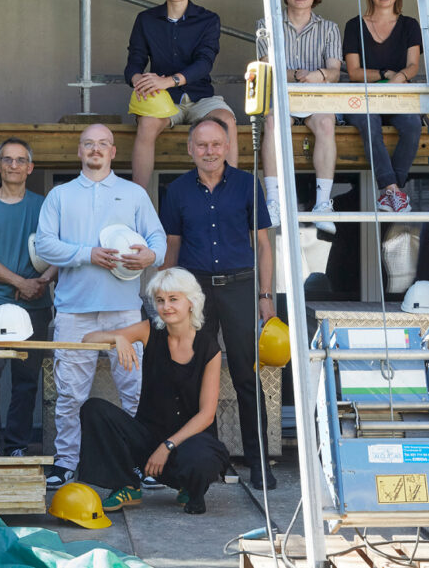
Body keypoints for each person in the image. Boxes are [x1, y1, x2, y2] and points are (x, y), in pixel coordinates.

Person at [35, 124, 167, 488]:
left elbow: (158, 239)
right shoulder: (60, 196)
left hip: (124, 310)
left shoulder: (134, 193)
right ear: (79, 151)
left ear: (112, 152)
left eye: (103, 144)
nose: (96, 149)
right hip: (74, 311)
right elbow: (45, 245)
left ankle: (142, 461)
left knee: (135, 389)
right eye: (89, 144)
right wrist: (87, 254)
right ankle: (66, 463)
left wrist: (151, 255)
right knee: (70, 393)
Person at [160, 117, 277, 490]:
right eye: (201, 145)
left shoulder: (246, 185)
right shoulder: (176, 190)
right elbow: (172, 248)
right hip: (195, 294)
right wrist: (167, 297)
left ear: (226, 147)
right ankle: (207, 465)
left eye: (215, 144)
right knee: (196, 381)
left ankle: (259, 464)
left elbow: (263, 244)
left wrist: (265, 296)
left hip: (240, 289)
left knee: (246, 376)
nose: (209, 152)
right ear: (191, 149)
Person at [78, 267, 230, 515]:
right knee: (94, 409)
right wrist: (117, 338)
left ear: (191, 302)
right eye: (160, 300)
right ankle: (126, 485)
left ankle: (191, 487)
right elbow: (88, 339)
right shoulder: (150, 331)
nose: (166, 307)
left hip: (187, 443)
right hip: (148, 437)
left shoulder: (208, 347)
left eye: (173, 299)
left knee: (201, 457)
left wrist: (167, 446)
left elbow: (207, 415)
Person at [0, 137, 56, 458]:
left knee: (27, 377)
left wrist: (42, 282)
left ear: (30, 167)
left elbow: (59, 252)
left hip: (36, 303)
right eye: (7, 160)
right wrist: (21, 282)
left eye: (20, 160)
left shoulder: (46, 205)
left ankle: (17, 443)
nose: (14, 166)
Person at [124, 0, 238, 190]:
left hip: (200, 96)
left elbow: (205, 63)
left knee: (226, 120)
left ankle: (229, 193)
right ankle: (139, 200)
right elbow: (134, 62)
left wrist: (169, 81)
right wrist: (140, 80)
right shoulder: (146, 19)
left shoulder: (208, 19)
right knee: (146, 124)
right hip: (163, 100)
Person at [256, 0, 344, 233]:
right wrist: (295, 74)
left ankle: (322, 204)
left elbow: (334, 73)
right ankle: (274, 201)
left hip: (316, 97)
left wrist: (318, 75)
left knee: (327, 124)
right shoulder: (266, 25)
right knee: (271, 123)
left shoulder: (329, 28)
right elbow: (266, 70)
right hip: (282, 98)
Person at [343, 0, 423, 213]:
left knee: (412, 125)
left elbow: (413, 66)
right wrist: (388, 74)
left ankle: (392, 190)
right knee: (369, 123)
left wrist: (401, 77)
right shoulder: (354, 25)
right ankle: (392, 190)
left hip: (397, 97)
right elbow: (354, 72)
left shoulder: (409, 25)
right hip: (365, 98)